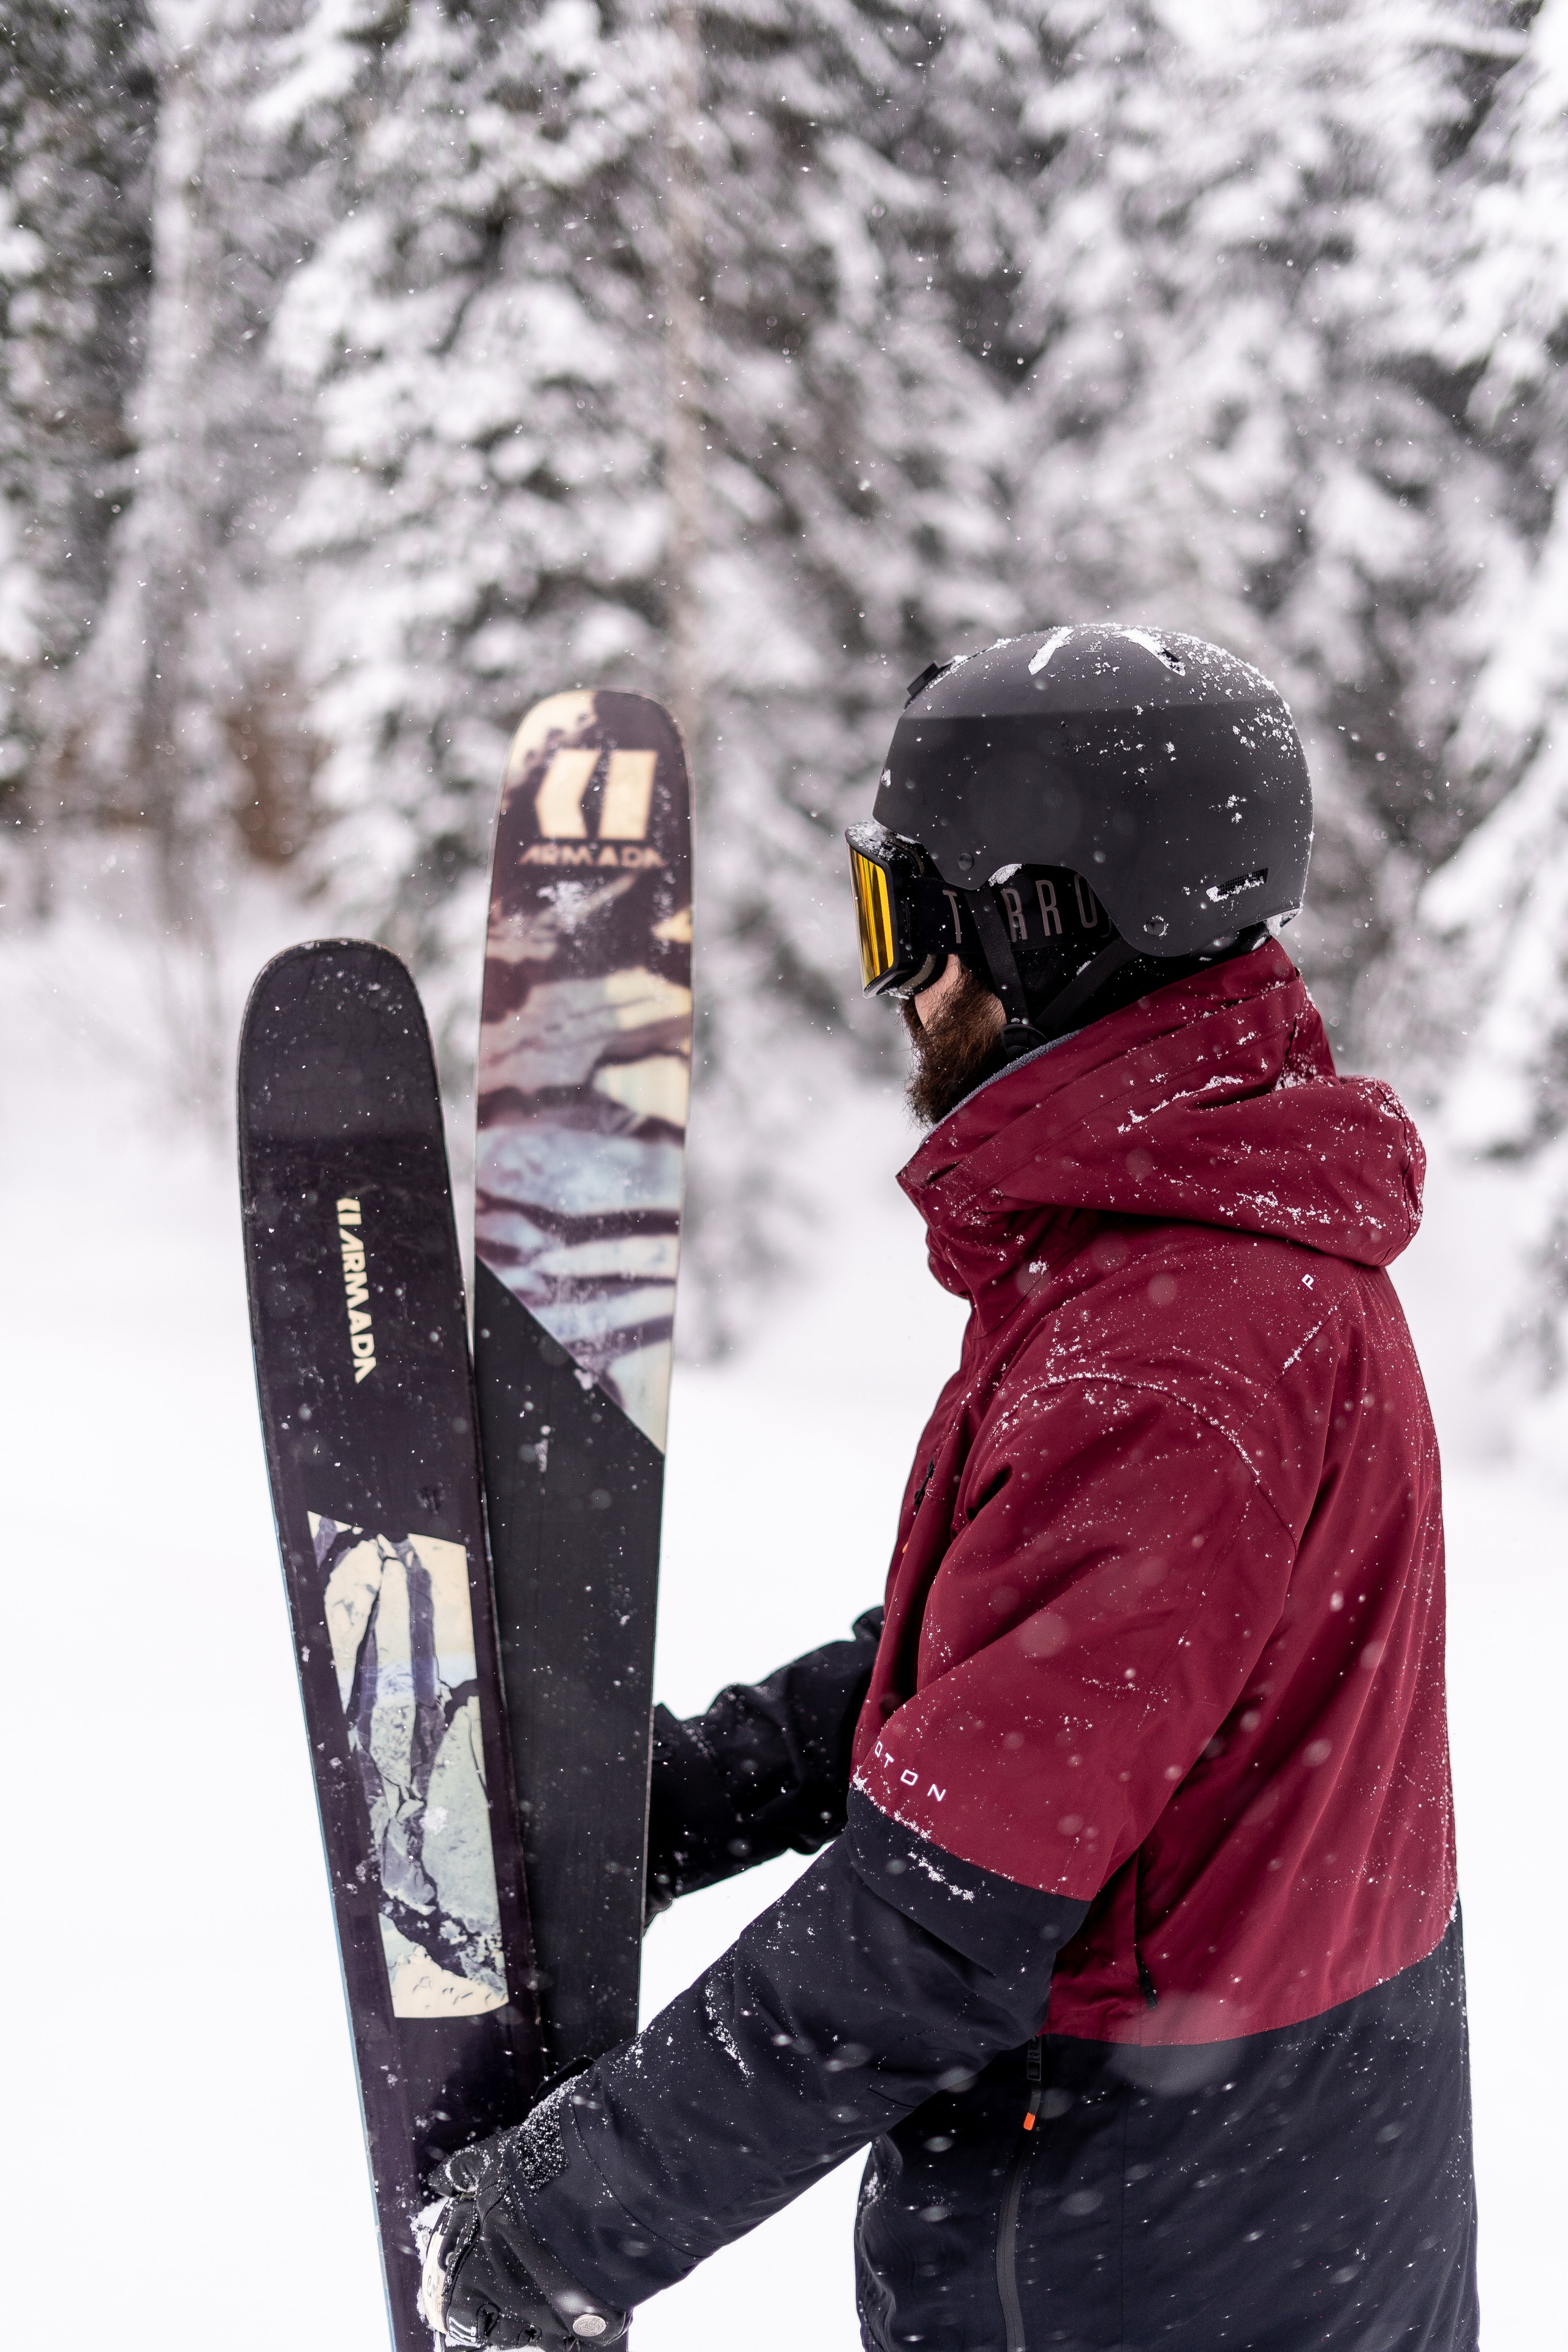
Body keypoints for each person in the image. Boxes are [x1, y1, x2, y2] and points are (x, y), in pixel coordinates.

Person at [419, 627, 1477, 2352]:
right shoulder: (1226, 1249)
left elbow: (934, 1931)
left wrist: (559, 2224)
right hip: (1281, 2189)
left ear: (1047, 922)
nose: (893, 983)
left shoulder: (1165, 1359)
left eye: (903, 917)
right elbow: (1060, 1672)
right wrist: (693, 1795)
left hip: (1145, 2257)